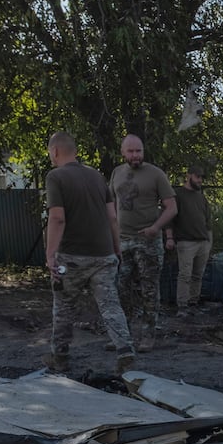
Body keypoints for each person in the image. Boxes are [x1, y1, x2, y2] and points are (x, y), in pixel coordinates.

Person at [43, 131, 136, 376]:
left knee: (64, 308)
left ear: (55, 152)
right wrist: (116, 249)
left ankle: (60, 357)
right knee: (110, 305)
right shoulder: (97, 177)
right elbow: (112, 217)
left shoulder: (55, 177)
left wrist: (50, 255)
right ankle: (125, 349)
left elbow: (57, 218)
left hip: (71, 257)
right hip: (103, 255)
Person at [109, 135, 177, 343]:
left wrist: (156, 228)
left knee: (149, 289)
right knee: (121, 287)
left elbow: (172, 207)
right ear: (123, 152)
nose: (135, 155)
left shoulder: (156, 174)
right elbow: (110, 204)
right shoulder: (117, 173)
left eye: (138, 150)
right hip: (123, 240)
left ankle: (148, 335)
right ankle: (123, 335)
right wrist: (113, 233)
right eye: (131, 151)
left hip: (148, 240)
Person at [170, 163, 214, 312]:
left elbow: (208, 220)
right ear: (189, 176)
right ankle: (182, 305)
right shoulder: (178, 195)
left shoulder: (201, 197)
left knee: (198, 275)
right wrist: (170, 237)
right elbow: (170, 218)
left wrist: (209, 240)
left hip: (203, 241)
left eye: (201, 177)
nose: (200, 180)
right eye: (197, 176)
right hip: (186, 241)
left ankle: (193, 302)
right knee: (185, 275)